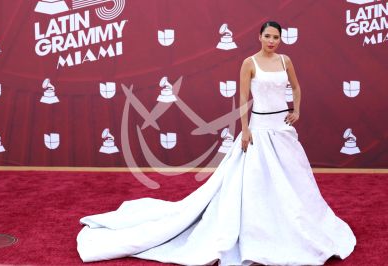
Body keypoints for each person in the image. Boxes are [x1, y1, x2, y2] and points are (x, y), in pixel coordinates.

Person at [76, 21, 356, 265]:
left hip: (282, 128)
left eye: (276, 37)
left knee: (293, 180)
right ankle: (259, 232)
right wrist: (244, 131)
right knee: (255, 183)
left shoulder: (285, 61)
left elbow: (295, 86)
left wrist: (296, 110)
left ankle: (294, 227)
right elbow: (243, 100)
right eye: (268, 36)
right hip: (258, 128)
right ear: (259, 36)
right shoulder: (249, 63)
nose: (272, 41)